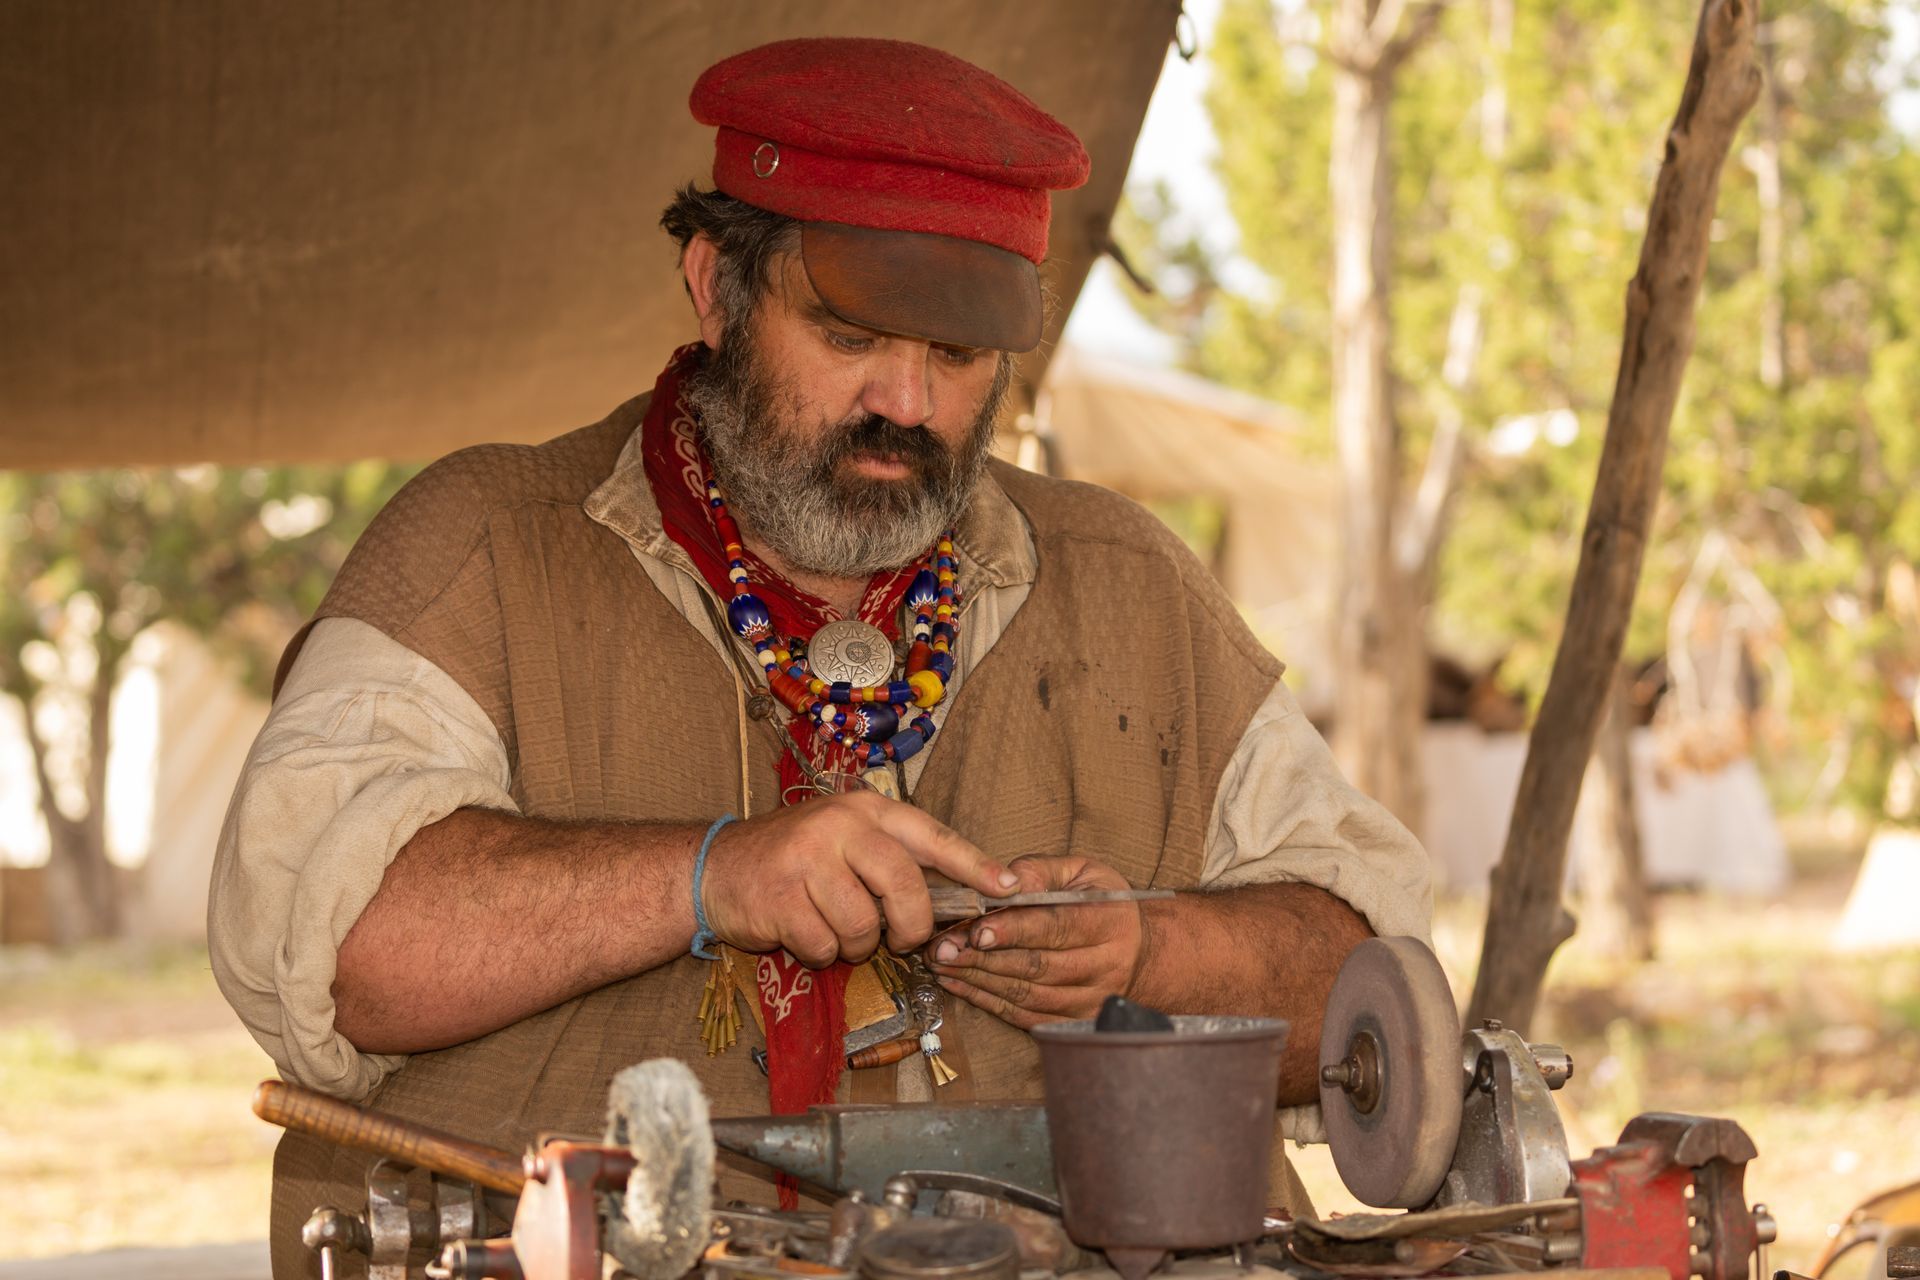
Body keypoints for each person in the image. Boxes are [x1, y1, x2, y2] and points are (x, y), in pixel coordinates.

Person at [208, 36, 1432, 1275]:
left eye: (956, 356)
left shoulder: (1130, 582)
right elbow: (335, 939)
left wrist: (1150, 951)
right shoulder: (482, 544)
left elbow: (1370, 988)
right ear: (715, 286)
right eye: (850, 333)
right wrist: (707, 876)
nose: (906, 399)